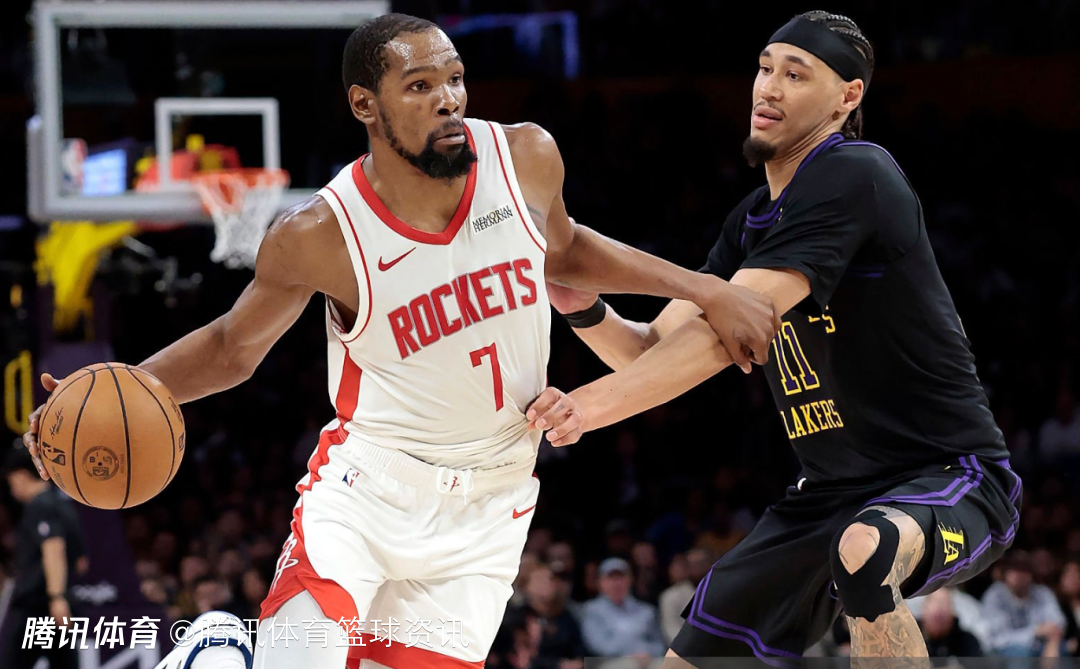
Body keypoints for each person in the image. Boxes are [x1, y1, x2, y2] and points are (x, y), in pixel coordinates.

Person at [22, 13, 779, 669]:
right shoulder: (321, 233)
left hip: (492, 504)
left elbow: (566, 248)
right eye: (419, 85)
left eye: (454, 79)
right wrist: (113, 391)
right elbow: (231, 348)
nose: (448, 98)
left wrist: (705, 288)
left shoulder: (525, 157)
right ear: (365, 104)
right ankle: (219, 647)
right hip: (369, 493)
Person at [531, 10, 1022, 666]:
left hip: (949, 475)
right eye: (765, 68)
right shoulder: (750, 223)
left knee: (867, 549)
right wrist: (583, 306)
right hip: (826, 494)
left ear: (848, 96)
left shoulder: (857, 173)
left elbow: (728, 332)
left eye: (796, 74)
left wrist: (584, 409)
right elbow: (649, 352)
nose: (768, 87)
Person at [0, 446, 86, 669]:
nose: (12, 488)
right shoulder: (63, 505)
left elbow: (53, 548)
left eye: (11, 481)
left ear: (21, 475)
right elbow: (81, 563)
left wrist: (56, 597)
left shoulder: (40, 505)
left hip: (38, 607)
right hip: (56, 605)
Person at [981, 551, 1065, 657]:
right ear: (1005, 573)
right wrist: (1035, 632)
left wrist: (1053, 644)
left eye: (1024, 570)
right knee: (1022, 652)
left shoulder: (1042, 593)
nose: (1019, 575)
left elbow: (1058, 623)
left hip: (1039, 646)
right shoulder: (995, 595)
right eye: (1014, 570)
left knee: (1063, 649)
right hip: (1002, 651)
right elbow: (998, 638)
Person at [580, 558, 666, 660]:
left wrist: (646, 652)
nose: (616, 583)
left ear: (631, 580)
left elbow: (659, 646)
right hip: (610, 663)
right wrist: (633, 652)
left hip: (647, 661)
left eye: (621, 577)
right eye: (611, 578)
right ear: (601, 582)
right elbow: (600, 647)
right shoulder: (591, 610)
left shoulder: (647, 611)